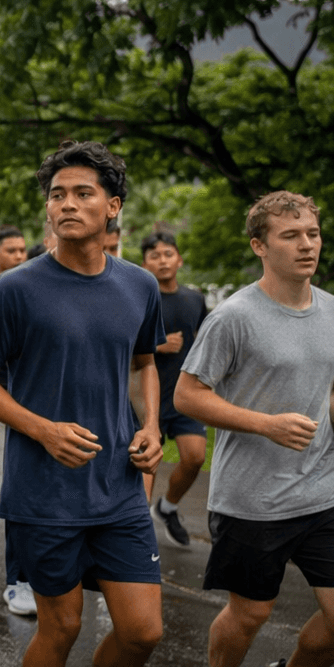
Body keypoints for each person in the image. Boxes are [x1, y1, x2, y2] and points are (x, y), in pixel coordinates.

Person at [0, 141, 164, 667]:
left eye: (83, 193)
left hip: (117, 488)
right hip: (44, 489)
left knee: (142, 630)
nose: (68, 204)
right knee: (63, 625)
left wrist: (151, 427)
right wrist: (42, 428)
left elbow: (143, 363)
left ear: (113, 207)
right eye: (57, 194)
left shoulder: (137, 283)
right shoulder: (15, 290)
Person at [175, 191, 334, 667]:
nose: (307, 244)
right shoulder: (234, 317)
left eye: (312, 233)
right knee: (250, 612)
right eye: (291, 235)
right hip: (251, 498)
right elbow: (188, 395)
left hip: (323, 487)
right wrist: (263, 424)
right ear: (260, 245)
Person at [138, 229, 208, 547]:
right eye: (155, 256)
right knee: (146, 465)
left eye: (168, 254)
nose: (163, 261)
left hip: (185, 396)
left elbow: (208, 344)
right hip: (145, 397)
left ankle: (168, 508)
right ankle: (136, 535)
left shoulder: (195, 299)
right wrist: (158, 346)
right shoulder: (139, 298)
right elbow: (121, 348)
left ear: (179, 259)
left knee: (194, 457)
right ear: (145, 263)